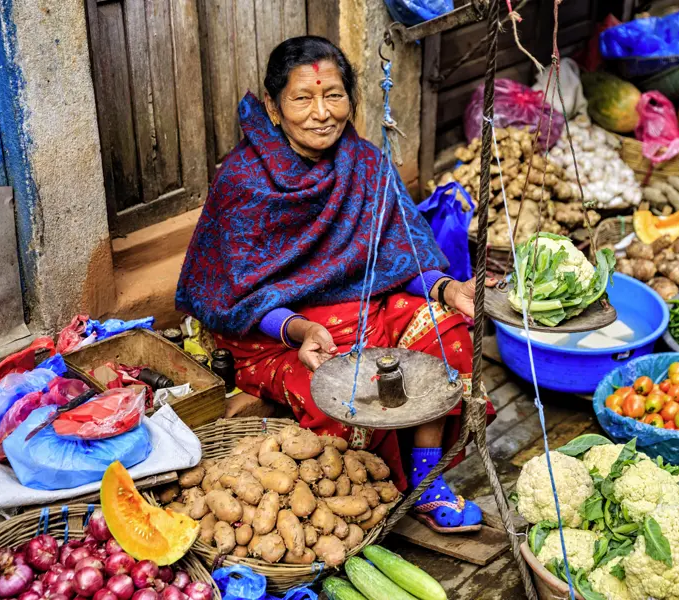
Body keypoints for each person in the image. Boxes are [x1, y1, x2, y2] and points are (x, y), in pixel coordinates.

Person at [177, 36, 494, 532]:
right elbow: (237, 291)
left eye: (334, 96)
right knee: (339, 392)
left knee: (447, 332)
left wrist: (445, 289)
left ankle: (427, 478)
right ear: (273, 108)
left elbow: (402, 250)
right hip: (276, 336)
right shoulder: (243, 180)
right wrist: (299, 329)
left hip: (367, 306)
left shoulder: (365, 163)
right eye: (303, 98)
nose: (322, 113)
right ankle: (374, 491)